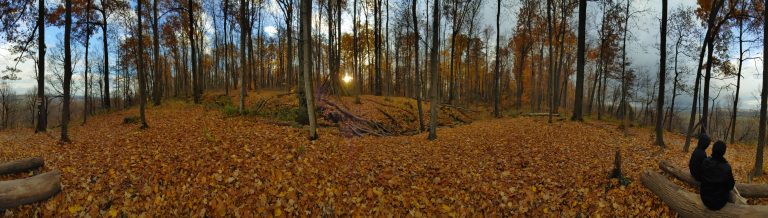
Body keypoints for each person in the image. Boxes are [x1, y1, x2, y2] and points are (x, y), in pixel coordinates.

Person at [699, 141, 742, 210]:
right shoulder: (726, 168)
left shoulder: (705, 162)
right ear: (724, 152)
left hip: (704, 198)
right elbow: (731, 186)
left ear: (713, 149)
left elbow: (701, 176)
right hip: (719, 203)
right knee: (730, 193)